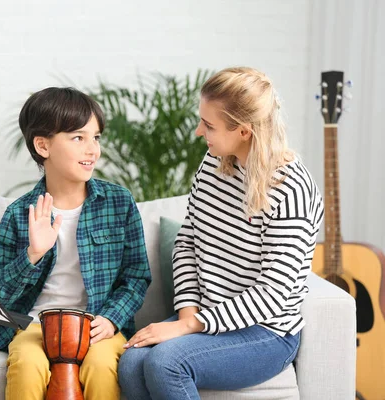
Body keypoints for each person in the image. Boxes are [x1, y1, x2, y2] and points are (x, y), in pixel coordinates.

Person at [117, 67, 325, 400]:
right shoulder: (214, 164)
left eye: (209, 125)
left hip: (266, 333)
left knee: (165, 362)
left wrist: (187, 328)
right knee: (131, 362)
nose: (199, 132)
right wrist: (187, 313)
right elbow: (187, 242)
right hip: (206, 317)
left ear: (243, 131)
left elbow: (271, 294)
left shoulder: (291, 191)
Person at [0, 87, 152, 400]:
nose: (92, 149)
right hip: (35, 325)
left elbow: (136, 278)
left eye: (96, 137)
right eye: (78, 138)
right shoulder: (19, 214)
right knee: (26, 367)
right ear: (43, 145)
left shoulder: (119, 203)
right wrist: (33, 254)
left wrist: (110, 319)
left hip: (97, 323)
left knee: (103, 366)